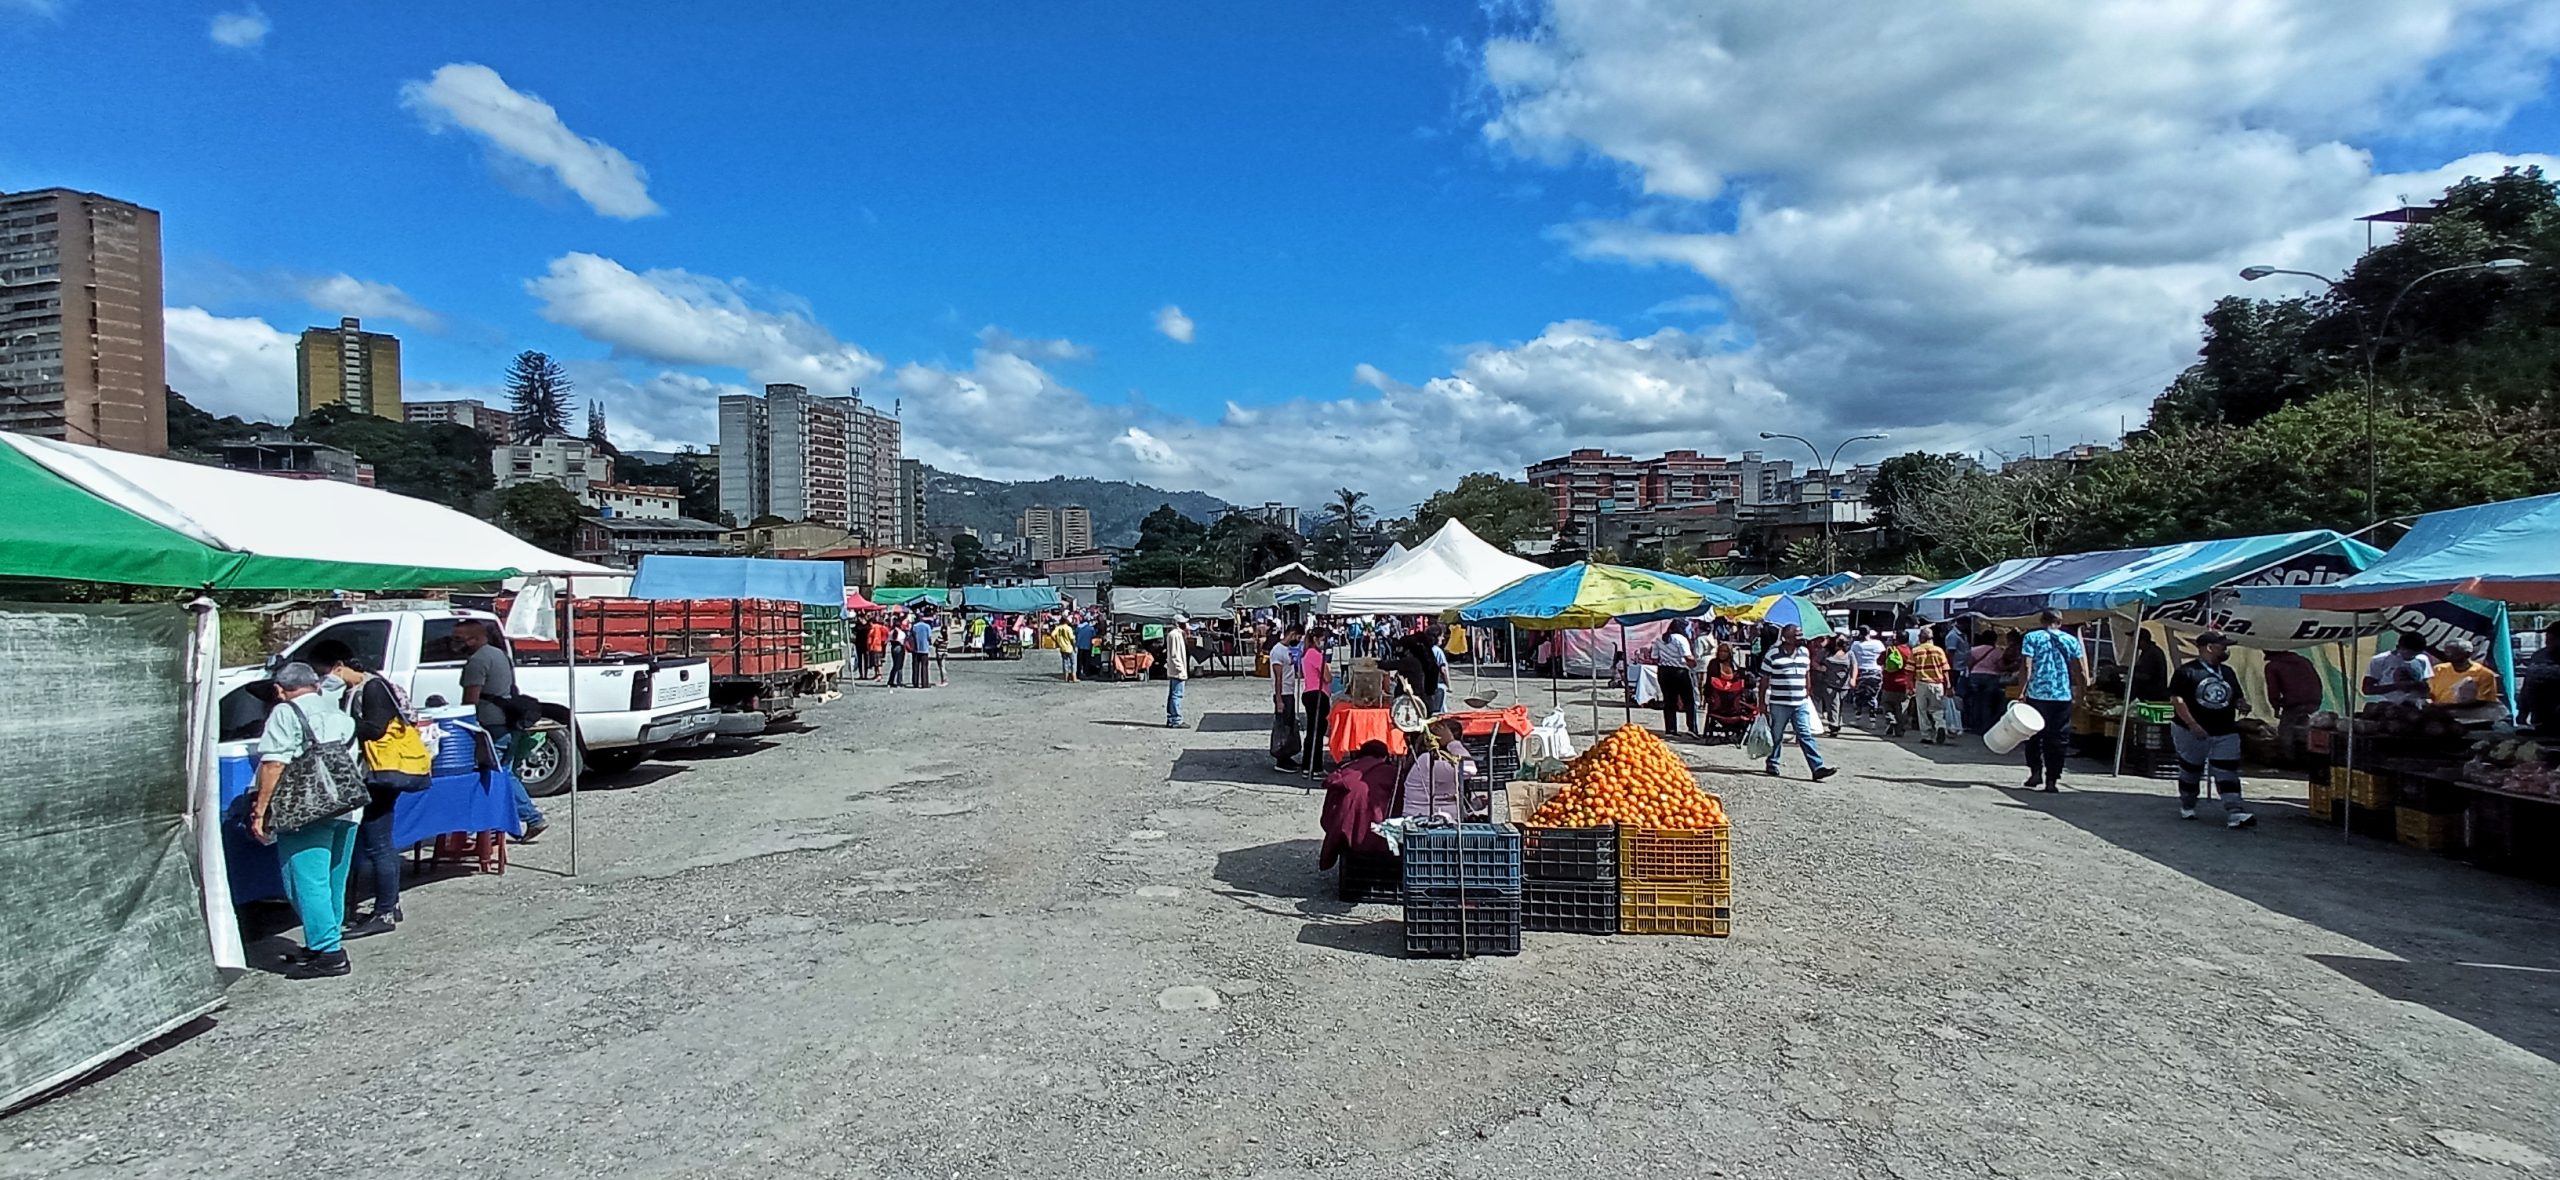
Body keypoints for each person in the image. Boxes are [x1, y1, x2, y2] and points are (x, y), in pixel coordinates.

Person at [248, 662, 364, 979]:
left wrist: (261, 811)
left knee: (305, 880)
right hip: (348, 806)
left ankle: (329, 953)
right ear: (314, 684)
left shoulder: (286, 713)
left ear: (279, 690)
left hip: (307, 810)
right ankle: (323, 940)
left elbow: (274, 764)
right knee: (332, 880)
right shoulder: (338, 712)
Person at [308, 641, 426, 941]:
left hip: (379, 775)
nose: (323, 679)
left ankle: (384, 911)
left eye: (324, 673)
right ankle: (390, 903)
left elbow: (375, 729)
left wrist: (337, 720)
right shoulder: (359, 688)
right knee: (375, 842)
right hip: (371, 773)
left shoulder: (372, 688)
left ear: (338, 666)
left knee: (378, 843)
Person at [456, 619, 544, 840]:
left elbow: (470, 700)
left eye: (458, 639)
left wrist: (464, 726)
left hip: (490, 726)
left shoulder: (477, 661)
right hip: (508, 722)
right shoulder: (499, 655)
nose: (454, 643)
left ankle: (526, 818)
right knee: (503, 772)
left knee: (495, 773)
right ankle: (514, 821)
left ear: (474, 638)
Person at [2169, 631, 2256, 828]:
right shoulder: (2186, 672)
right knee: (2191, 770)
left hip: (2225, 730)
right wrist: (2192, 724)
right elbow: (2177, 699)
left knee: (2227, 770)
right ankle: (2188, 804)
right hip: (2190, 730)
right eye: (2222, 646)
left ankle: (2235, 812)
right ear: (2209, 648)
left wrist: (2241, 704)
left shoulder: (2228, 672)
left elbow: (2236, 696)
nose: (2226, 650)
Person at [2016, 608, 2087, 792]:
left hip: (2037, 695)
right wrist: (2081, 691)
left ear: (2041, 620)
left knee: (2032, 736)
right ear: (2060, 622)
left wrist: (2022, 691)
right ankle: (2052, 780)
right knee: (2058, 739)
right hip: (2061, 696)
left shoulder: (2032, 638)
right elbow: (2079, 668)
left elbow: (2026, 665)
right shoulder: (2070, 640)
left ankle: (2035, 772)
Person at [1757, 625, 1837, 781]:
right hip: (1779, 702)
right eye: (1796, 636)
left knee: (1805, 734)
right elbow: (1764, 679)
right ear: (1786, 638)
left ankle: (1817, 767)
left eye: (1801, 635)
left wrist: (1807, 690)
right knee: (1777, 735)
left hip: (1800, 702)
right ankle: (1773, 762)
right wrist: (1762, 703)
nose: (1800, 638)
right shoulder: (1773, 655)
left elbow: (1806, 673)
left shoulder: (1804, 653)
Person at [1398, 719, 1475, 821]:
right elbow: (1469, 769)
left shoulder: (1434, 761)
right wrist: (1451, 742)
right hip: (1426, 822)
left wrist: (1474, 806)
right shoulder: (1427, 760)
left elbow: (1444, 799)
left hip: (1439, 819)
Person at [1650, 619, 1700, 738]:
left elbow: (1654, 658)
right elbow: (1687, 657)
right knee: (1689, 701)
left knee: (1669, 701)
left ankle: (1671, 728)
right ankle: (1692, 728)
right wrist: (1694, 663)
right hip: (1679, 672)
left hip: (1664, 672)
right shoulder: (1681, 639)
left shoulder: (1659, 639)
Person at [2363, 629, 2433, 707]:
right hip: (2387, 704)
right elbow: (2367, 689)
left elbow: (2427, 686)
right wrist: (2397, 686)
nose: (2412, 657)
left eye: (2415, 654)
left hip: (2414, 705)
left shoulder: (2422, 659)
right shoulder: (2380, 660)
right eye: (2409, 653)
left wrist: (2419, 687)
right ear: (2399, 647)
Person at [1269, 623, 1306, 772]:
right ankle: (1281, 758)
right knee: (1283, 726)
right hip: (1283, 693)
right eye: (1298, 636)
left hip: (1289, 691)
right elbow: (1278, 678)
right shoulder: (1277, 651)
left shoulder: (1287, 650)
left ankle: (1287, 755)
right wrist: (1279, 699)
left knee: (1290, 725)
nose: (1298, 639)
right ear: (1292, 634)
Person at [1909, 626, 1954, 744]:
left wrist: (1910, 686)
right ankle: (1940, 726)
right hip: (1937, 684)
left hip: (1922, 683)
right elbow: (1945, 670)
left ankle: (1926, 736)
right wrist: (1948, 686)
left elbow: (1910, 671)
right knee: (1937, 709)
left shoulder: (1915, 651)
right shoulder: (1939, 651)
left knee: (1922, 711)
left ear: (1921, 638)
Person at [2427, 639, 2502, 708]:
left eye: (2455, 653)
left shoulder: (2484, 674)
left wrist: (2448, 707)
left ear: (2468, 654)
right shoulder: (2438, 669)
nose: (2449, 655)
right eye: (2447, 652)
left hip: (2467, 716)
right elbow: (2429, 692)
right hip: (2438, 715)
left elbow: (2483, 703)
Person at [1963, 628, 2010, 736]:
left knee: (1975, 702)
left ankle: (1974, 726)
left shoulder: (1974, 650)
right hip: (1991, 678)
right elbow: (2000, 666)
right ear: (1994, 639)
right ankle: (1985, 728)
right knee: (1986, 703)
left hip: (1975, 676)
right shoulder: (1997, 652)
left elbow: (1969, 664)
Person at [1299, 627, 1332, 776]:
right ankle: (1315, 766)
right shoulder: (1316, 655)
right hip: (1317, 694)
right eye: (1323, 639)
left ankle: (1308, 765)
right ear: (1316, 639)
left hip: (1309, 693)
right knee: (1317, 733)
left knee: (1312, 732)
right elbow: (1327, 677)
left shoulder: (1306, 654)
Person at [1702, 650, 1757, 739]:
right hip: (1724, 707)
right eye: (1721, 650)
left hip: (1726, 708)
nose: (1722, 653)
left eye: (1725, 651)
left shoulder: (1733, 667)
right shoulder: (1714, 666)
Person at [2519, 620, 2560, 735]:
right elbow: (2527, 683)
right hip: (2538, 719)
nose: (2548, 640)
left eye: (2553, 638)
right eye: (2547, 636)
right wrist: (2522, 711)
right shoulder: (2538, 655)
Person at [1816, 636, 1855, 737]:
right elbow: (1814, 661)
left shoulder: (1849, 653)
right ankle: (1834, 726)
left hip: (1844, 685)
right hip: (1829, 683)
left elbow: (1854, 666)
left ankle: (1837, 722)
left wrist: (1853, 678)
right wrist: (1820, 668)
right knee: (1833, 704)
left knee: (1839, 705)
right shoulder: (1826, 652)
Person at [1877, 633, 1915, 737]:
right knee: (1901, 708)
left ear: (1896, 640)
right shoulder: (1910, 652)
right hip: (1905, 685)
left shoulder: (1890, 650)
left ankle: (1890, 719)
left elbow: (1879, 661)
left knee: (1887, 703)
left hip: (1889, 683)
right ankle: (1899, 731)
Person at [1848, 628, 1886, 719]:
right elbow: (1884, 655)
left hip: (1860, 672)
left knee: (1858, 696)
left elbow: (1852, 658)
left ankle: (1858, 716)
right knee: (1873, 697)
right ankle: (1872, 718)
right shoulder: (1878, 644)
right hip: (1875, 671)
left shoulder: (1855, 645)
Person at [1164, 614, 1192, 727]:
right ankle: (1176, 719)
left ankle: (1172, 718)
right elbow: (1175, 655)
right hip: (1177, 670)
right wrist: (1181, 669)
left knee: (1173, 694)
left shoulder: (1176, 634)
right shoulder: (1175, 635)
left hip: (1174, 669)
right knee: (1177, 695)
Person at [906, 610, 935, 688]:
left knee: (915, 666)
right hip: (924, 649)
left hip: (915, 649)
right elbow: (929, 637)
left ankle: (915, 683)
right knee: (924, 667)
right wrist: (930, 643)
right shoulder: (927, 626)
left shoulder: (914, 626)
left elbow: (910, 636)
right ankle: (924, 683)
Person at [1049, 615, 1078, 681]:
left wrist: (1056, 641)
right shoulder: (1068, 628)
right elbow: (1072, 639)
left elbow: (1052, 635)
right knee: (1073, 663)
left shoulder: (1058, 628)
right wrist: (1074, 646)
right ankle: (1074, 677)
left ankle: (1066, 677)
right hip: (1069, 647)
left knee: (1065, 662)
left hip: (1062, 647)